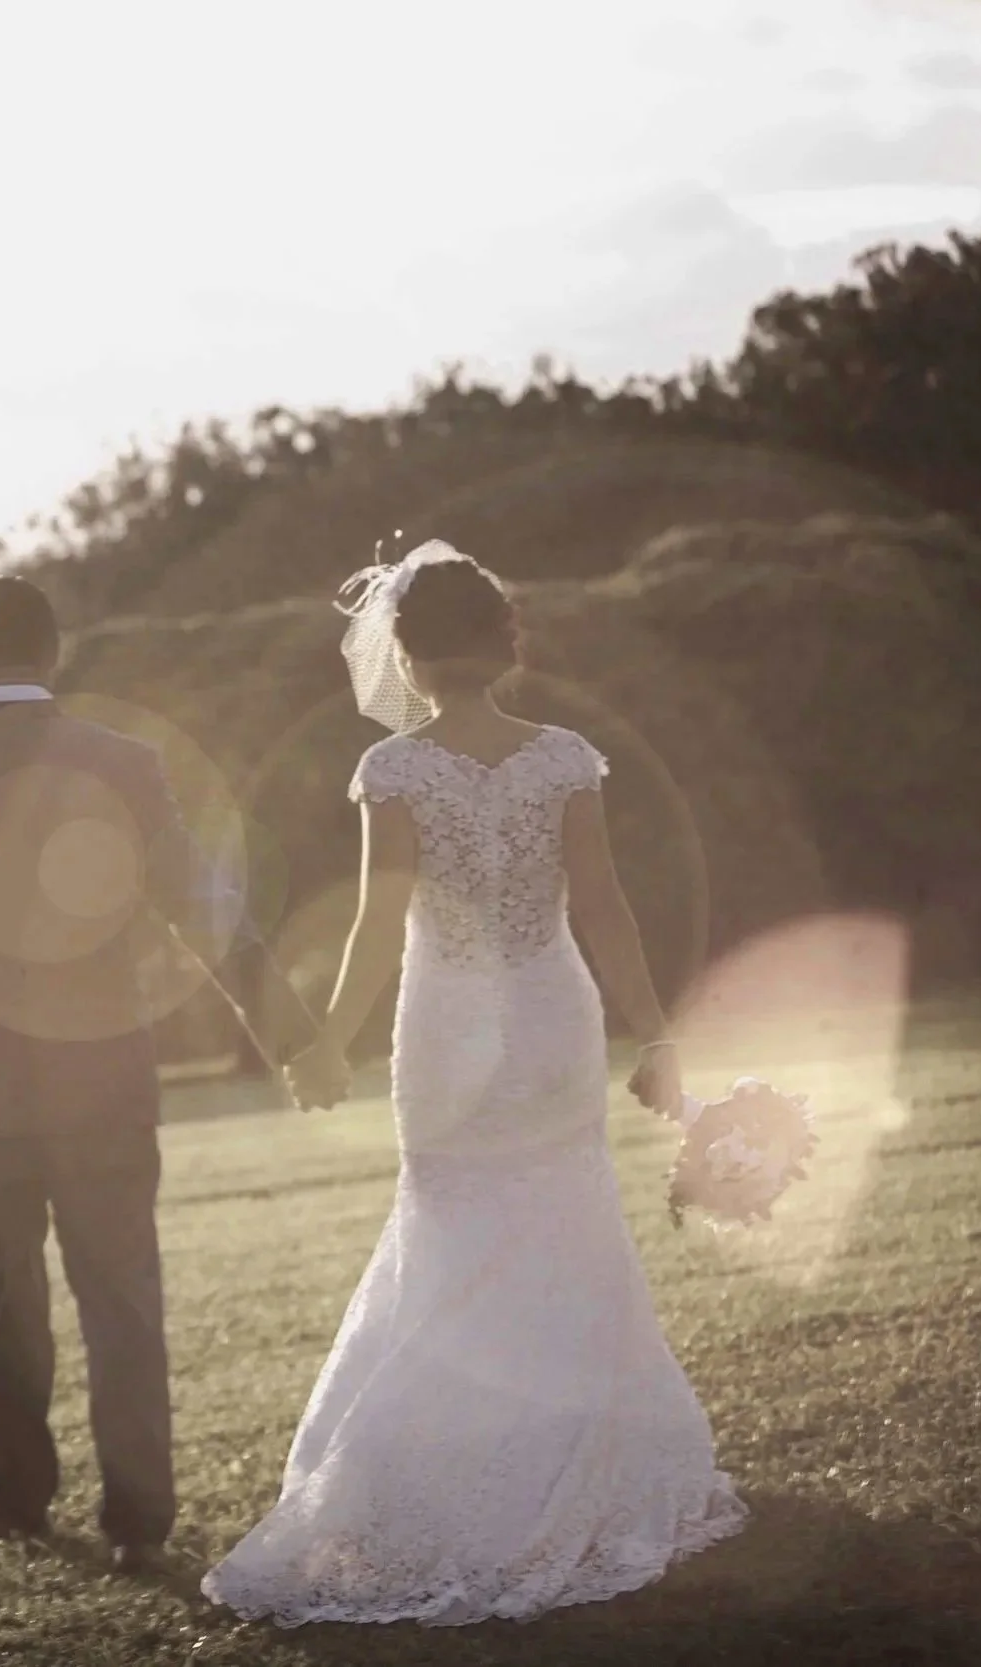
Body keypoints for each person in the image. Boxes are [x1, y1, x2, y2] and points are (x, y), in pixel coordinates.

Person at [202, 541, 747, 1625]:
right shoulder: (563, 759)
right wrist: (653, 1030)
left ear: (402, 649)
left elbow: (373, 923)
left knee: (452, 1234)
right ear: (506, 641)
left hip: (447, 1025)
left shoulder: (394, 770)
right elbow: (602, 906)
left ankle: (455, 1470)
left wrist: (327, 1042)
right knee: (565, 1226)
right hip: (549, 1015)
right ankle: (571, 1464)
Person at [0, 574, 340, 1576]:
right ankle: (137, 1516)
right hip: (105, 1077)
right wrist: (290, 1029)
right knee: (120, 1290)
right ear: (56, 651)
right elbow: (199, 908)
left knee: (6, 1289)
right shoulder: (120, 761)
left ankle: (11, 1492)